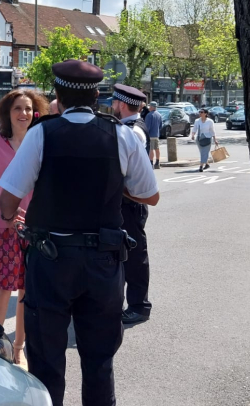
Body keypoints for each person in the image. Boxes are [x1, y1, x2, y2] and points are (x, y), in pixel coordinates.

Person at [0, 60, 159, 406]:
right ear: (97, 96)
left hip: (51, 261)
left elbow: (8, 200)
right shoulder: (122, 134)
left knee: (46, 362)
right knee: (99, 361)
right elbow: (150, 194)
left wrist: (13, 217)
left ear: (57, 95)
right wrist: (116, 185)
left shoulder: (43, 132)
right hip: (103, 262)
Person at [0, 89, 49, 368]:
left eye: (29, 109)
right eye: (18, 108)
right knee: (1, 293)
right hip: (0, 228)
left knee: (27, 295)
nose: (24, 114)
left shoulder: (40, 142)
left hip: (34, 229)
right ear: (8, 112)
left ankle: (18, 349)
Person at [111, 84, 154, 326]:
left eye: (114, 103)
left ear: (122, 104)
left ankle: (139, 306)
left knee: (135, 256)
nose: (112, 106)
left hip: (130, 201)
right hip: (127, 201)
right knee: (126, 254)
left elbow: (125, 170)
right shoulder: (128, 127)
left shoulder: (133, 131)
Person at [191, 108, 218, 172]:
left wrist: (215, 139)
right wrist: (193, 135)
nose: (200, 113)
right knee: (202, 152)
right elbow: (194, 129)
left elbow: (212, 131)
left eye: (201, 112)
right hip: (199, 139)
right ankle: (207, 164)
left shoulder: (210, 121)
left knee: (204, 152)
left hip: (207, 139)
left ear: (205, 113)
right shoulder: (197, 121)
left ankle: (201, 166)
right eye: (199, 112)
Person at [145, 102, 163, 169]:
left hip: (150, 135)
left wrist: (146, 133)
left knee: (151, 149)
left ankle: (151, 163)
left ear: (152, 107)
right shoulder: (159, 115)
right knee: (157, 148)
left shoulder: (149, 115)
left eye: (150, 106)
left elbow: (147, 127)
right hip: (156, 134)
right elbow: (161, 125)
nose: (149, 108)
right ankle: (157, 162)